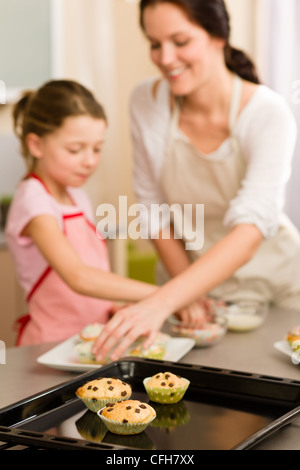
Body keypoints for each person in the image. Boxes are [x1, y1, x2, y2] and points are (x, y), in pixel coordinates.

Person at [92, 0, 300, 362]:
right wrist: (184, 295)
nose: (166, 57)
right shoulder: (147, 101)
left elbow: (251, 228)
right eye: (155, 44)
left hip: (275, 288)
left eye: (180, 41)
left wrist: (162, 301)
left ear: (218, 36)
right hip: (185, 284)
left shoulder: (267, 113)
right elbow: (153, 209)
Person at [5, 79, 158, 346]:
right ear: (36, 145)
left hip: (88, 343)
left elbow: (93, 270)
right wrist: (164, 296)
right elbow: (78, 276)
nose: (89, 161)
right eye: (75, 149)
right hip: (49, 347)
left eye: (97, 148)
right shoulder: (34, 201)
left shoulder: (77, 196)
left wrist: (111, 307)